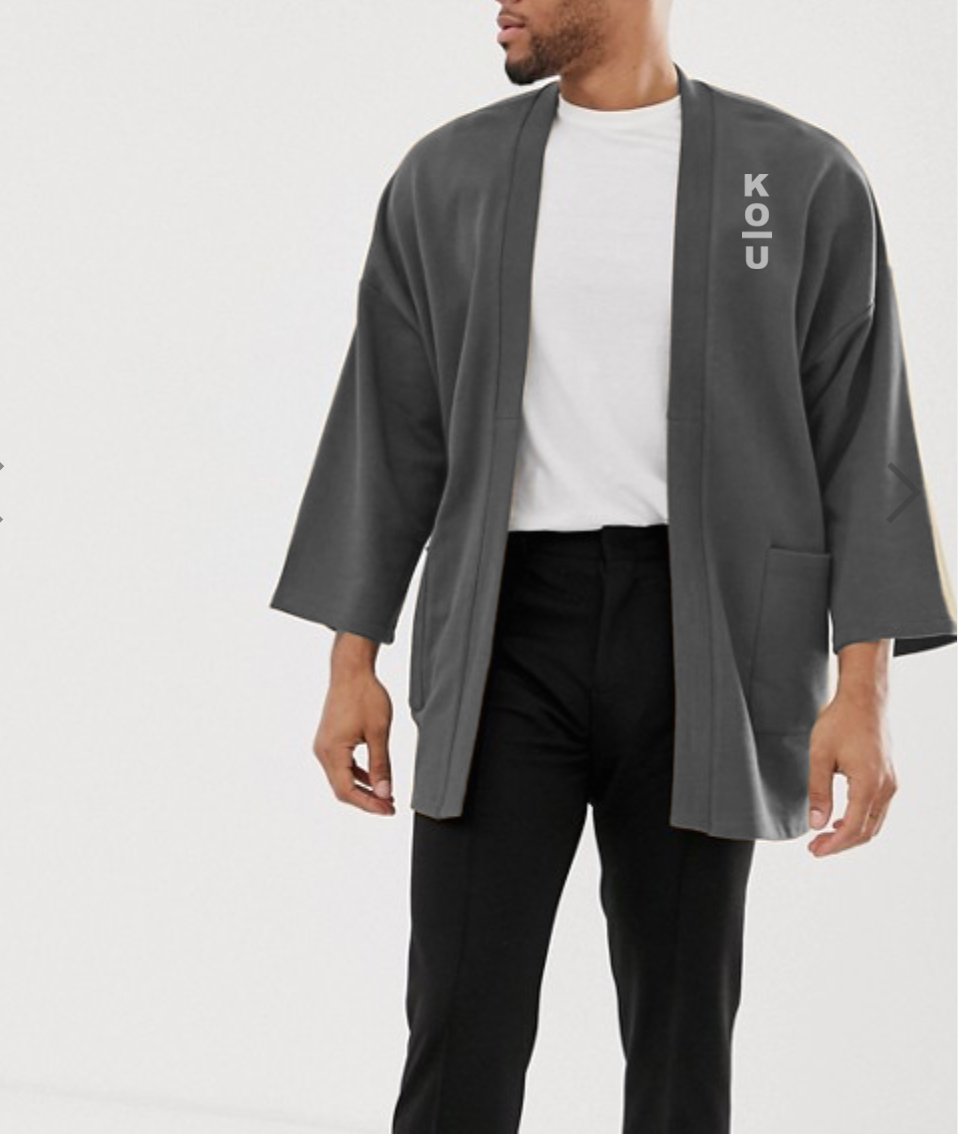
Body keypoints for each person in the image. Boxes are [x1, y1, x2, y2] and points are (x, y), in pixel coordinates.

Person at [269, 2, 957, 1131]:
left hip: (711, 641)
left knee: (684, 1035)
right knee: (460, 1023)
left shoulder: (797, 175)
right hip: (503, 635)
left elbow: (861, 437)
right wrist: (353, 662)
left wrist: (865, 688)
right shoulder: (447, 177)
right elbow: (388, 426)